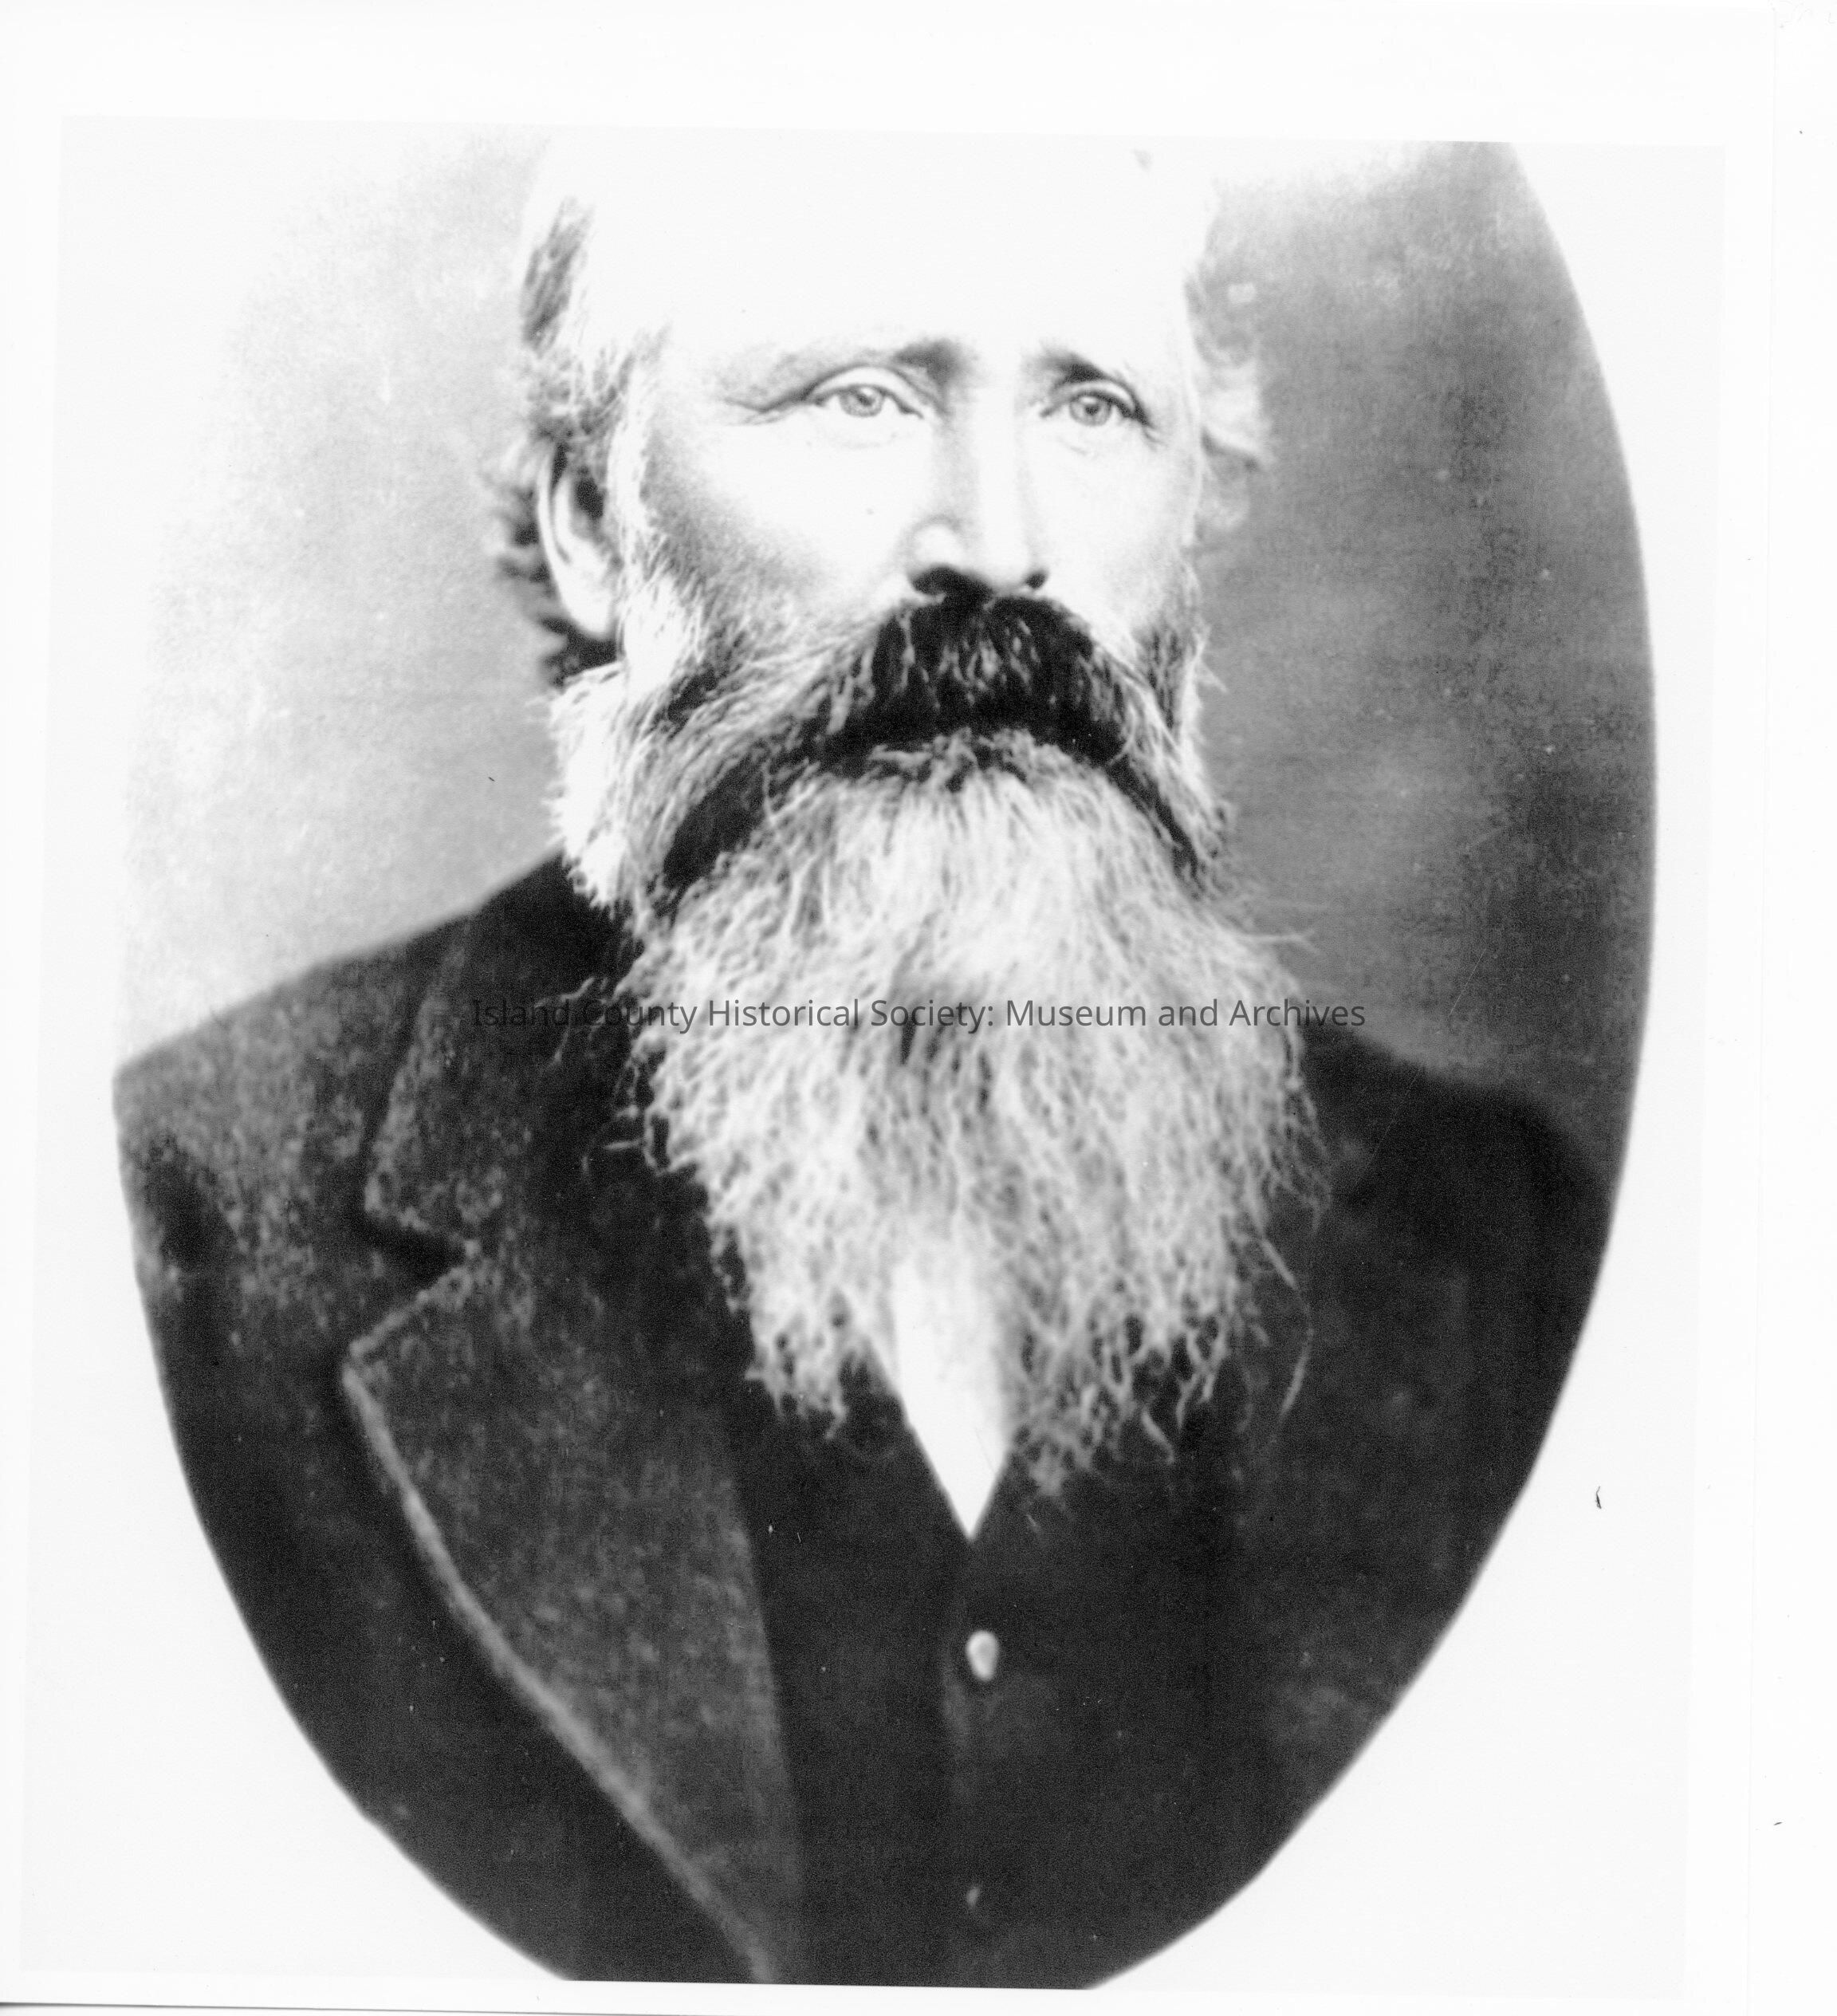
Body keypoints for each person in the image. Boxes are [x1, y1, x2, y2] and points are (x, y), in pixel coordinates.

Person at [115, 136, 1607, 1986]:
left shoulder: (1496, 1245)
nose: (997, 542)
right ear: (594, 525)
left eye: (1091, 407)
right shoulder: (191, 1246)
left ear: (1197, 501)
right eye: (862, 397)